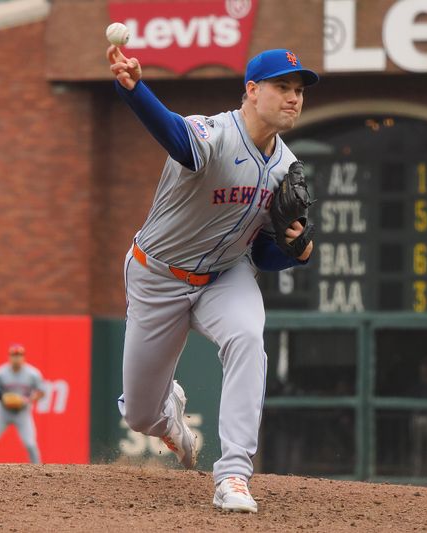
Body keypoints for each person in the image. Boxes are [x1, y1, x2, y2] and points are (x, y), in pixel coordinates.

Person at [108, 44, 319, 513]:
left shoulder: (285, 167)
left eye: (299, 90)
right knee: (141, 415)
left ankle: (234, 476)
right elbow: (174, 136)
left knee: (247, 337)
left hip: (226, 276)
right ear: (251, 90)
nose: (293, 97)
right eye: (282, 86)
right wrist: (135, 90)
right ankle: (170, 418)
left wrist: (297, 249)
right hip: (159, 276)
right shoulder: (214, 133)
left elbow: (265, 252)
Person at [0, 343, 46, 464]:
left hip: (22, 412)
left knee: (30, 444)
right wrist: (4, 398)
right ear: (9, 357)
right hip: (3, 412)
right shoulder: (1, 372)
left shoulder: (33, 373)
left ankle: (39, 470)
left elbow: (41, 392)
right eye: (14, 355)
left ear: (23, 357)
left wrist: (27, 400)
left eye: (19, 355)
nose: (16, 358)